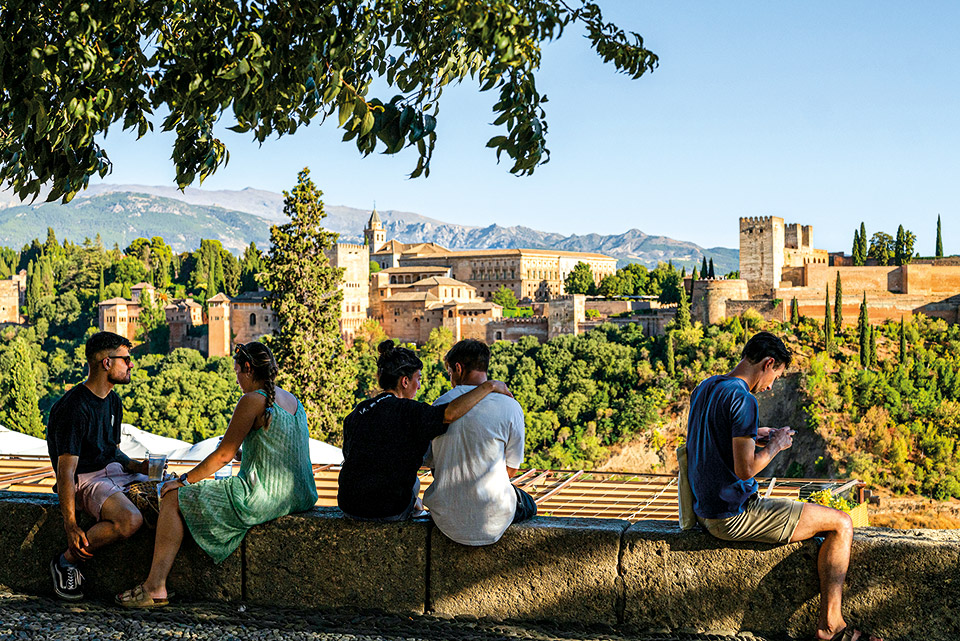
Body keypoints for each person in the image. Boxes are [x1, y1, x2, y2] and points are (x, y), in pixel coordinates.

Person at [686, 331, 881, 641]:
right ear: (768, 363)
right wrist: (775, 444)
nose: (771, 386)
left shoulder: (707, 387)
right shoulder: (743, 398)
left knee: (835, 522)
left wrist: (756, 434)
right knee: (842, 524)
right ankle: (831, 626)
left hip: (705, 508)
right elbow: (745, 468)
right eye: (775, 376)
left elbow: (714, 437)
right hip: (732, 513)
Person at [116, 341, 318, 608]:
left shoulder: (252, 400)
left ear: (247, 368)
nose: (237, 380)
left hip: (264, 497)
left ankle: (155, 587)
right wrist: (246, 456)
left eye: (237, 373)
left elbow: (222, 455)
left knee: (173, 498)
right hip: (301, 495)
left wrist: (182, 481)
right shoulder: (293, 401)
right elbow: (283, 453)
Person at [337, 340, 513, 521]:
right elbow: (451, 413)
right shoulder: (410, 412)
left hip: (348, 505)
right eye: (418, 379)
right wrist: (489, 386)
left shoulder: (358, 411)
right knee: (415, 483)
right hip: (387, 510)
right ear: (405, 381)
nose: (419, 386)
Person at [46, 331, 149, 601]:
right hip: (87, 479)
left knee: (168, 494)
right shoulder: (74, 408)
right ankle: (66, 561)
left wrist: (139, 466)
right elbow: (66, 472)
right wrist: (70, 524)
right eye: (126, 359)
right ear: (106, 363)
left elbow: (112, 450)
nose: (131, 365)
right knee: (131, 520)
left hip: (112, 472)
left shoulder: (114, 401)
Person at [423, 339, 536, 546]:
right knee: (529, 503)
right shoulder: (511, 406)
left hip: (445, 519)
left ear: (458, 368)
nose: (451, 379)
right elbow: (511, 470)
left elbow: (434, 466)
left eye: (449, 373)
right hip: (496, 520)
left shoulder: (439, 405)